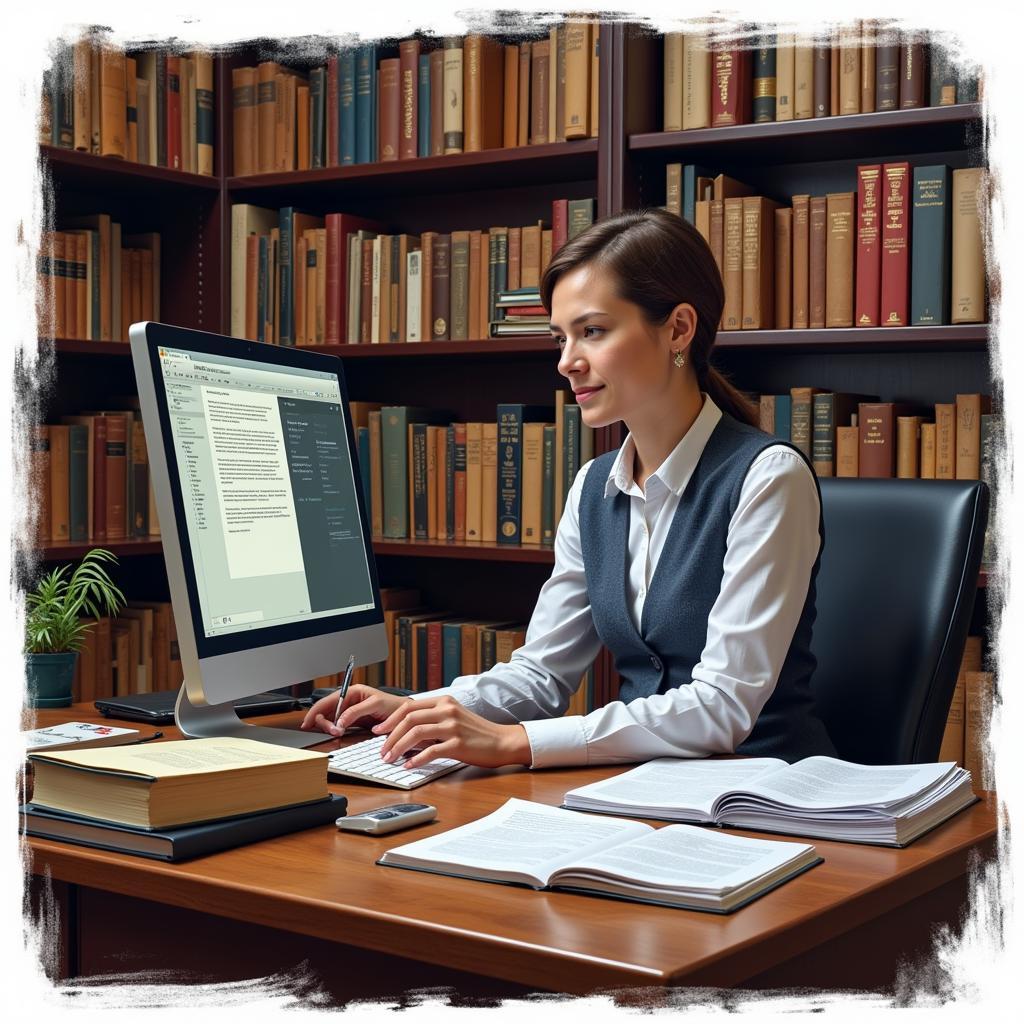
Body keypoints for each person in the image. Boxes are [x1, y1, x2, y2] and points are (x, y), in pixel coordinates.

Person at [301, 207, 836, 768]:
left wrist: (515, 742)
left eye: (593, 331)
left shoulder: (768, 477)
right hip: (641, 791)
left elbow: (723, 705)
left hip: (763, 797)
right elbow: (543, 673)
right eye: (560, 338)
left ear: (678, 328)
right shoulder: (591, 488)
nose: (566, 362)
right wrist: (421, 709)